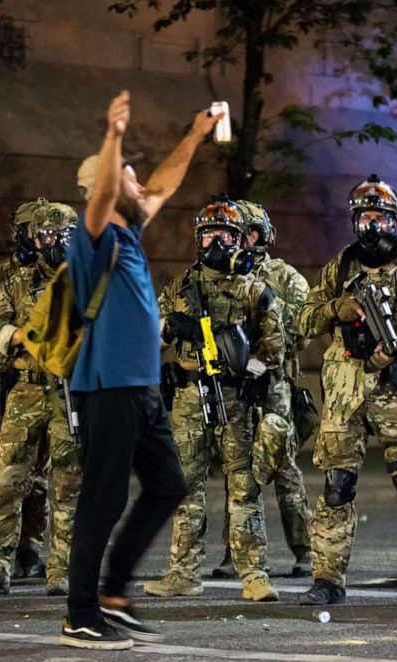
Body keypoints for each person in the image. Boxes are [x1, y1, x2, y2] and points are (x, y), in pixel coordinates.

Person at [59, 90, 211, 650]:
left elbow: (165, 185)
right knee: (102, 499)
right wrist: (113, 136)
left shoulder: (128, 232)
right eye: (129, 174)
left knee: (168, 484)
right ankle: (80, 614)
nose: (140, 181)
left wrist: (194, 134)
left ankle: (114, 595)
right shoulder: (92, 236)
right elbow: (101, 199)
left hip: (143, 389)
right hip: (108, 386)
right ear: (106, 181)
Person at [296, 174, 397, 608]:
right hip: (345, 392)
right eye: (365, 218)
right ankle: (327, 579)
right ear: (355, 221)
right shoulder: (338, 268)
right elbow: (305, 320)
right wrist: (336, 308)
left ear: (394, 221)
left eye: (380, 217)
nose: (372, 226)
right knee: (336, 485)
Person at [146, 197, 285, 603]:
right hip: (191, 397)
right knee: (185, 486)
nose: (214, 242)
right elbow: (148, 341)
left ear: (240, 240)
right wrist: (171, 328)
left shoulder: (254, 290)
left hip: (234, 399)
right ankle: (183, 573)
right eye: (207, 234)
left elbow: (274, 347)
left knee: (244, 486)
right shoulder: (179, 288)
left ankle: (254, 574)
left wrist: (250, 377)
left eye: (224, 234)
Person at [0, 200, 79, 598]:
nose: (54, 243)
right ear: (35, 239)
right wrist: (23, 335)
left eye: (63, 236)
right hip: (26, 388)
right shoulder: (17, 283)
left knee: (68, 483)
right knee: (6, 478)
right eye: (46, 236)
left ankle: (62, 569)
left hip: (72, 391)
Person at [209, 199, 313, 580]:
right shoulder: (223, 275)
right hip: (235, 382)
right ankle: (235, 552)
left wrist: (265, 336)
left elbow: (303, 328)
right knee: (235, 467)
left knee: (282, 464)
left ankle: (305, 549)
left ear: (253, 235)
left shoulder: (284, 276)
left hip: (273, 383)